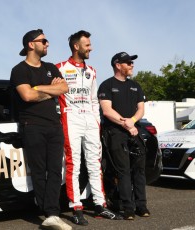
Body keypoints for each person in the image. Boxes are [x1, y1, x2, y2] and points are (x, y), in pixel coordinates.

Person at [56, 30, 122, 226]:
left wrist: (96, 120)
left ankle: (100, 205)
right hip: (71, 119)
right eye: (87, 45)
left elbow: (94, 99)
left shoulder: (91, 70)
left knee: (95, 163)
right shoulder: (59, 68)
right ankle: (76, 207)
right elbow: (53, 96)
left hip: (90, 121)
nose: (91, 48)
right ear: (76, 46)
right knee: (73, 165)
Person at [10, 29, 72, 230]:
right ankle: (50, 213)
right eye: (43, 41)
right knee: (39, 171)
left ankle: (52, 214)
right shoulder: (19, 70)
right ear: (31, 44)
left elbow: (63, 88)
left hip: (54, 125)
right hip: (33, 126)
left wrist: (38, 88)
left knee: (55, 170)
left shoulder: (50, 67)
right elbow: (27, 96)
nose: (48, 44)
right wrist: (49, 90)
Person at [97, 52, 150, 220]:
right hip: (116, 133)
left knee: (139, 171)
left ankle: (141, 206)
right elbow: (107, 111)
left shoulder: (135, 86)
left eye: (132, 62)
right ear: (117, 65)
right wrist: (125, 124)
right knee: (123, 171)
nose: (131, 65)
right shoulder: (106, 85)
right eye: (128, 63)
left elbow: (141, 109)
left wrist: (132, 121)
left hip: (134, 131)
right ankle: (128, 208)